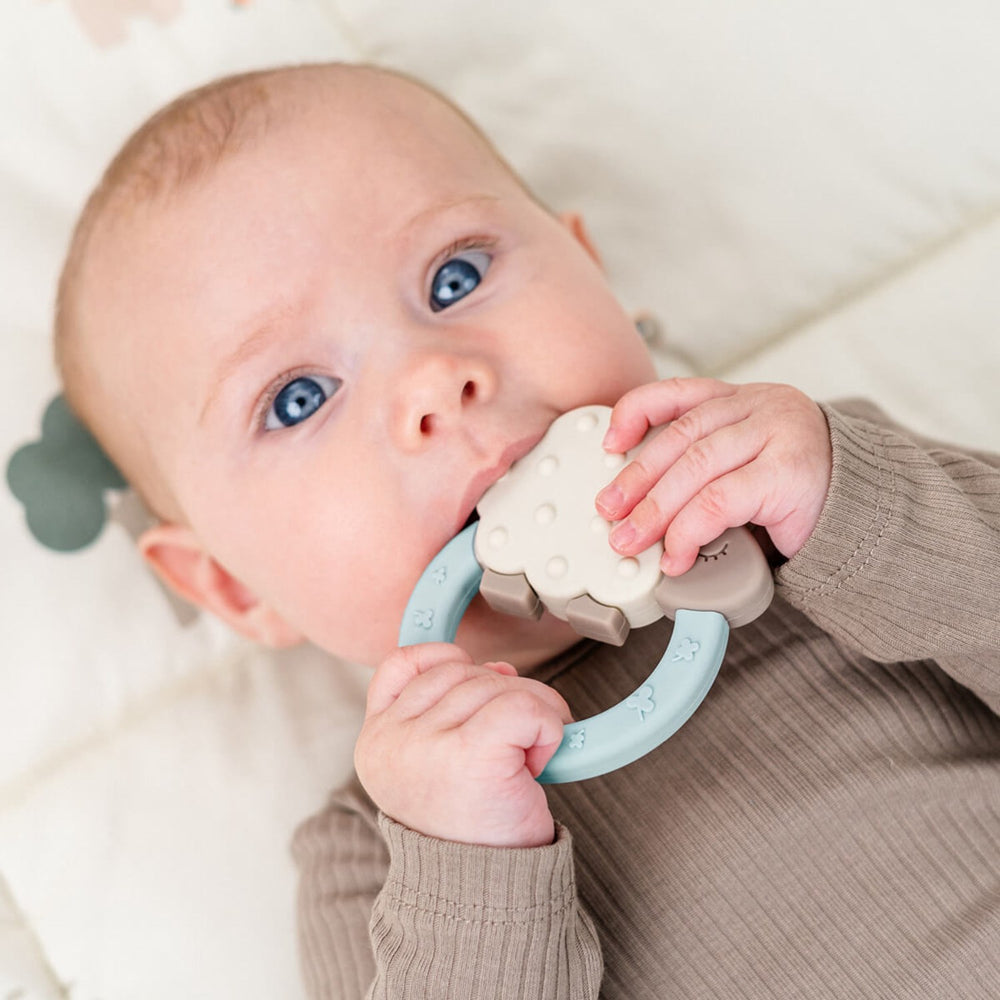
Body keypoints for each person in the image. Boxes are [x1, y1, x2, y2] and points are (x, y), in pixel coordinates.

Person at [54, 62, 1000, 999]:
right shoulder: (378, 858)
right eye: (299, 398)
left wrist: (858, 507)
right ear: (231, 587)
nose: (434, 380)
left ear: (596, 273)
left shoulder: (811, 496)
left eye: (455, 277)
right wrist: (467, 872)